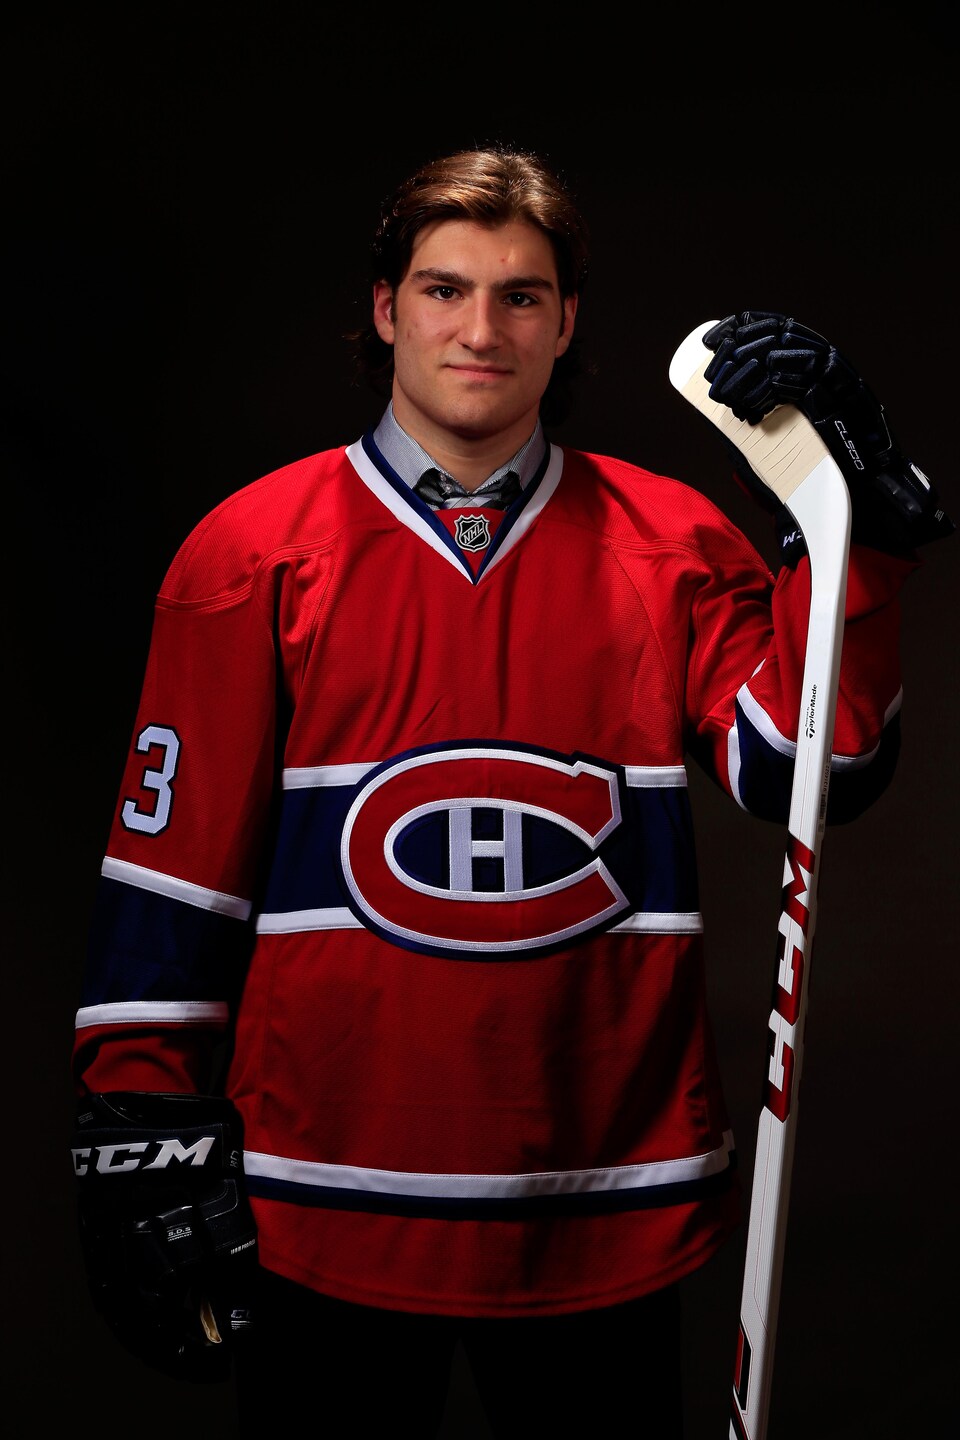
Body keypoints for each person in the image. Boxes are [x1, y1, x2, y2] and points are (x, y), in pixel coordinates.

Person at [69, 145, 953, 1437]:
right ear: (386, 311)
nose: (480, 328)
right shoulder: (251, 549)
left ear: (566, 322)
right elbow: (174, 873)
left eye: (522, 295)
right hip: (323, 1195)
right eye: (443, 289)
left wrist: (855, 540)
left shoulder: (673, 543)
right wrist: (138, 1112)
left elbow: (808, 769)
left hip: (603, 1196)